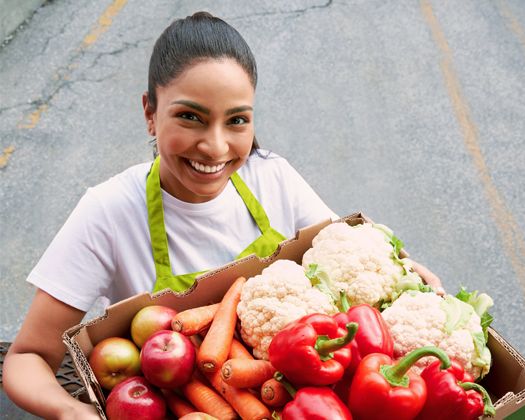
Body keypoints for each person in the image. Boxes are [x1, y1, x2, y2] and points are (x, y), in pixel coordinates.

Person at [3, 12, 442, 419]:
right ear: (150, 114)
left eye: (236, 121)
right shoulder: (109, 211)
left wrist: (403, 273)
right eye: (190, 117)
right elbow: (26, 359)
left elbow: (346, 256)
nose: (215, 147)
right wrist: (71, 412)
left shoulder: (275, 179)